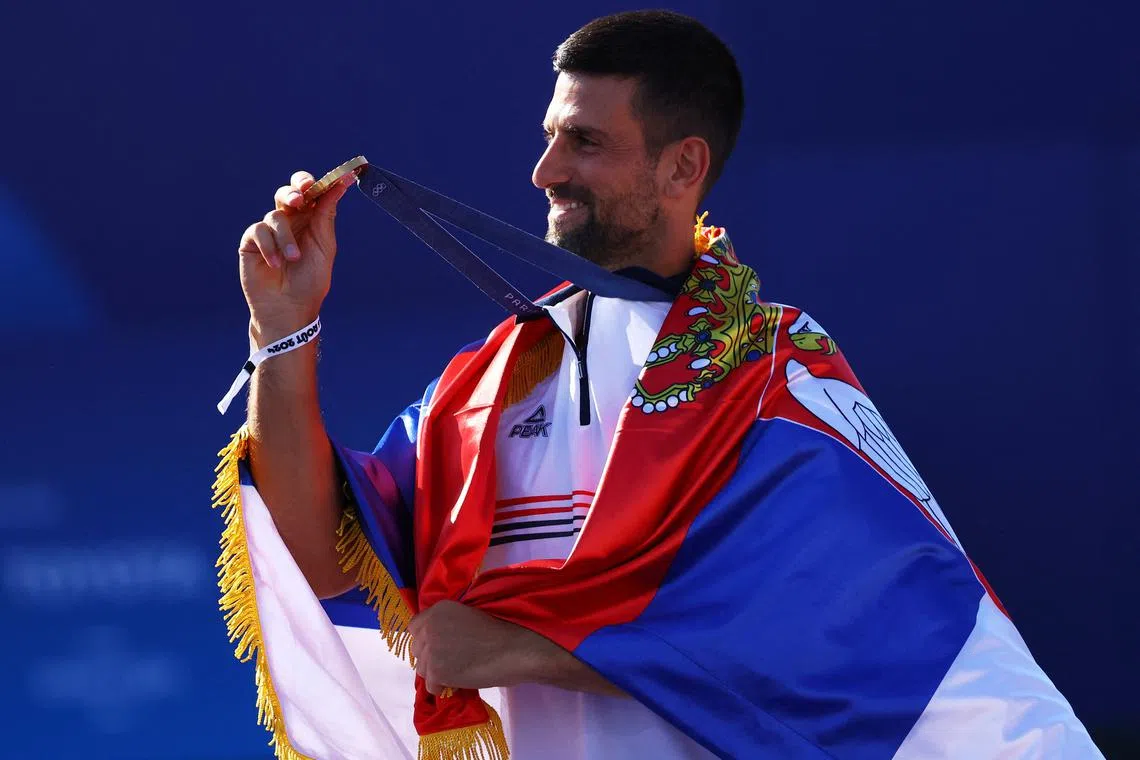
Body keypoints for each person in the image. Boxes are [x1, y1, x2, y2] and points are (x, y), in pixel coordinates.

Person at [219, 9, 1103, 760]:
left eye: (586, 142)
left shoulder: (768, 367)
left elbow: (847, 637)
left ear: (683, 169)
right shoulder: (488, 384)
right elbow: (323, 558)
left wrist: (532, 645)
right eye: (550, 138)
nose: (546, 172)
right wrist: (284, 328)